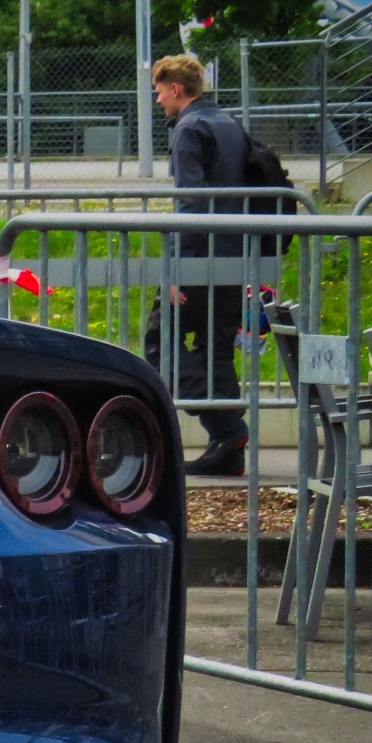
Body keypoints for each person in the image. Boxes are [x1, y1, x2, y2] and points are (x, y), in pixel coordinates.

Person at [144, 53, 256, 476]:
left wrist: (175, 269)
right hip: (233, 253)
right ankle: (228, 452)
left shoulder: (188, 129)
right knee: (216, 349)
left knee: (160, 342)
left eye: (159, 92)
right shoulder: (230, 124)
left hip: (198, 257)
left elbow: (191, 204)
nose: (158, 101)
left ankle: (227, 427)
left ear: (175, 89)